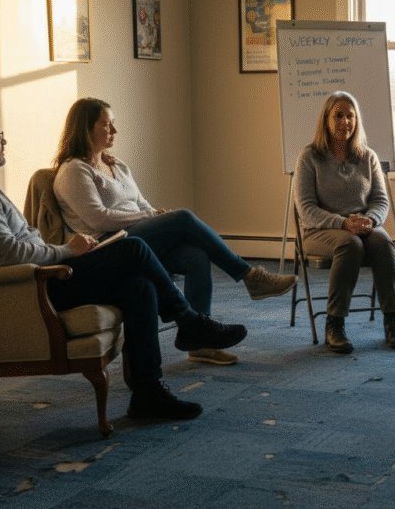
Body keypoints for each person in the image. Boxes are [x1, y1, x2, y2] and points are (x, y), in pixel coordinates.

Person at [0, 104, 249, 421]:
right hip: (29, 288)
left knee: (139, 287)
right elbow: (8, 254)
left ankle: (147, 393)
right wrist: (67, 251)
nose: (4, 141)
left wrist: (62, 250)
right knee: (133, 248)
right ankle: (190, 322)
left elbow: (17, 244)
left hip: (38, 276)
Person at [52, 97, 296, 366]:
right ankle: (249, 275)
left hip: (135, 237)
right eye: (106, 125)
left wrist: (154, 214)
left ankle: (198, 342)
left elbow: (140, 203)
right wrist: (150, 216)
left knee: (195, 256)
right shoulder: (74, 170)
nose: (114, 131)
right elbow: (98, 219)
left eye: (114, 124)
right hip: (107, 248)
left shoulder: (116, 164)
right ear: (85, 128)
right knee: (183, 218)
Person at [292, 91, 395, 354]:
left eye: (350, 116)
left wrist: (370, 220)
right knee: (350, 245)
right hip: (321, 231)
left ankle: (392, 321)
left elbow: (380, 201)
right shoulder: (309, 158)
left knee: (383, 241)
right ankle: (335, 324)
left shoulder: (367, 157)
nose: (345, 121)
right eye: (338, 115)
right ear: (326, 120)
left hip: (362, 227)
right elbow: (306, 209)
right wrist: (342, 223)